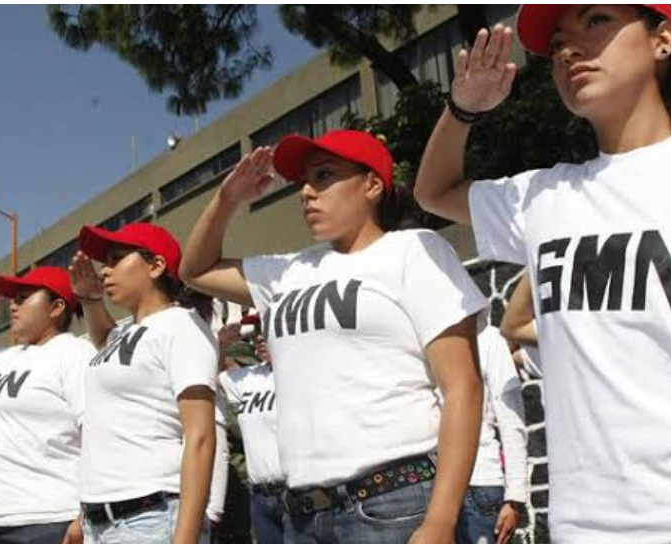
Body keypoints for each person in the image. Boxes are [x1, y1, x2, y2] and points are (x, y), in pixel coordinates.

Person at [413, 5, 671, 542]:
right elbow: (433, 193)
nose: (567, 49)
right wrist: (463, 110)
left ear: (664, 39)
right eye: (556, 40)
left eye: (595, 21)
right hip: (584, 526)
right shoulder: (543, 195)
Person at [180, 130, 487, 544]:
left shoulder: (412, 251)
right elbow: (194, 269)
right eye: (303, 183)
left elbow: (463, 386)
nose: (306, 193)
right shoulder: (287, 270)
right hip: (301, 515)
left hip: (395, 503)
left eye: (324, 176)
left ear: (372, 185)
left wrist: (440, 520)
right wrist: (227, 199)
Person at [69, 222, 218, 544]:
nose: (105, 271)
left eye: (116, 259)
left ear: (156, 265)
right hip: (100, 522)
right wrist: (91, 300)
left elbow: (201, 435)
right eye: (104, 263)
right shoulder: (125, 332)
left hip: (152, 517)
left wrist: (185, 538)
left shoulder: (182, 325)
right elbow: (105, 338)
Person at [0, 267, 97, 544]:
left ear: (57, 307)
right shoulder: (5, 357)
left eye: (23, 297)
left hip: (46, 518)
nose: (13, 305)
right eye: (13, 299)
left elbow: (96, 433)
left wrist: (83, 515)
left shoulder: (74, 353)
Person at [454, 317, 527, 544]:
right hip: (422, 487)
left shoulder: (489, 338)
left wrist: (515, 497)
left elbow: (511, 419)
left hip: (481, 484)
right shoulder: (415, 333)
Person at [218, 319, 285, 544]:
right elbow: (207, 376)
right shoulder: (250, 377)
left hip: (298, 493)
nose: (259, 337)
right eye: (257, 331)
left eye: (267, 330)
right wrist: (221, 347)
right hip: (260, 497)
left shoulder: (302, 372)